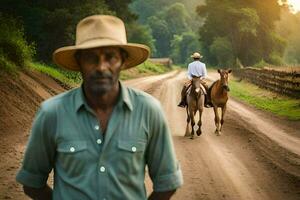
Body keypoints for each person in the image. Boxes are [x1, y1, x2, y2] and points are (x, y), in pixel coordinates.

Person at [16, 15, 183, 200]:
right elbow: (32, 183)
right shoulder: (52, 113)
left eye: (110, 57)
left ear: (123, 61)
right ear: (79, 62)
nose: (101, 67)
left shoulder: (149, 110)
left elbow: (167, 184)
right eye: (91, 58)